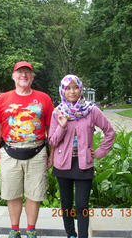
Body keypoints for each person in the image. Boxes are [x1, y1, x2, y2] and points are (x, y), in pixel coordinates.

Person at [0, 61, 54, 238]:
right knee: (13, 193)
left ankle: (31, 230)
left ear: (32, 77)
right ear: (13, 76)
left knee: (35, 194)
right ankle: (14, 229)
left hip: (37, 152)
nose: (23, 75)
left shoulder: (44, 99)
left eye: (27, 72)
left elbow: (51, 128)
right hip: (10, 152)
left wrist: (52, 153)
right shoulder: (2, 99)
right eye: (20, 72)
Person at [48, 74, 115, 238]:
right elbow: (52, 140)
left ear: (81, 89)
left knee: (82, 205)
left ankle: (82, 236)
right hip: (62, 164)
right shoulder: (58, 112)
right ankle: (70, 234)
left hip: (84, 164)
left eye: (75, 87)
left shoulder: (91, 110)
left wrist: (99, 152)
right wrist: (62, 126)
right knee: (66, 204)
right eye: (68, 88)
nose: (72, 91)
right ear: (62, 91)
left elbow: (110, 132)